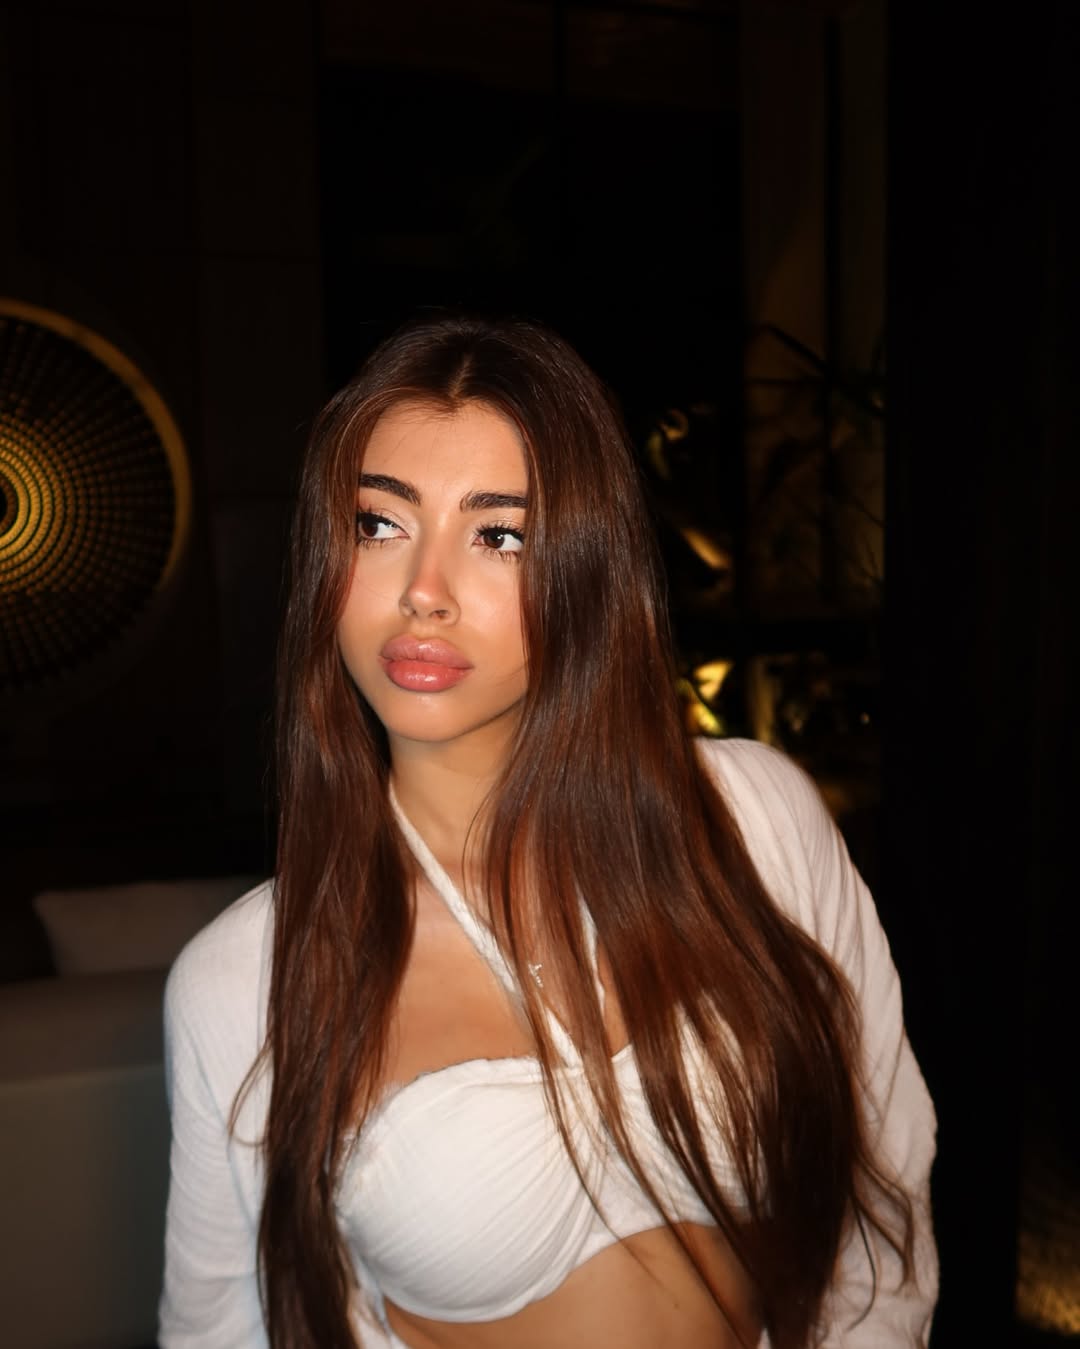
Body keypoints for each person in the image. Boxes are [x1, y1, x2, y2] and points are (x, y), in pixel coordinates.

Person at [159, 313, 937, 1349]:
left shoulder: (754, 818)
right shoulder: (246, 977)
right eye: (379, 525)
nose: (423, 592)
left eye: (499, 535)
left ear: (588, 569)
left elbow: (881, 1184)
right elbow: (223, 1330)